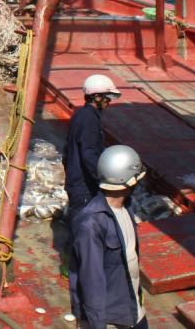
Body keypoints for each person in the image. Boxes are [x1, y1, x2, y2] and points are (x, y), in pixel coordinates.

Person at [70, 144, 148, 329]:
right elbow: (91, 281)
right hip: (110, 319)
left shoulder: (125, 209)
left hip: (132, 310)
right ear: (129, 181)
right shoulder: (92, 224)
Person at [64, 74, 119, 223]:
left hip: (77, 183)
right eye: (107, 97)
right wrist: (104, 180)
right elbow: (89, 154)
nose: (109, 101)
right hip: (84, 188)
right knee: (85, 229)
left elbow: (67, 151)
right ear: (96, 97)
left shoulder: (81, 115)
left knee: (81, 228)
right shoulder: (89, 119)